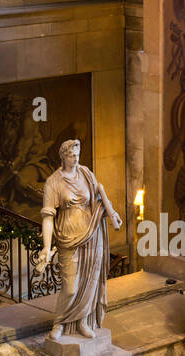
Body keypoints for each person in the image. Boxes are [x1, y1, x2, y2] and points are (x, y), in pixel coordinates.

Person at [37, 139, 122, 340]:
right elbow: (48, 216)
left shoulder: (86, 173)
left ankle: (83, 321)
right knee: (71, 287)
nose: (76, 158)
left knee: (90, 282)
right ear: (63, 156)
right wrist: (46, 248)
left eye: (78, 154)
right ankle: (59, 323)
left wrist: (113, 213)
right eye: (71, 155)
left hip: (93, 235)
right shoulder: (53, 182)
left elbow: (100, 199)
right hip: (68, 238)